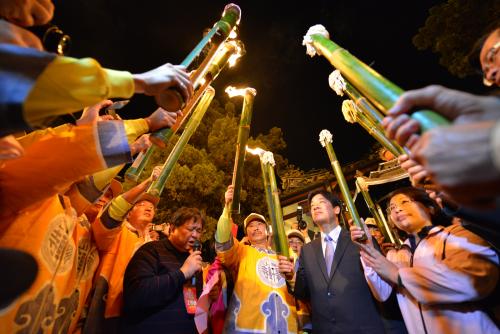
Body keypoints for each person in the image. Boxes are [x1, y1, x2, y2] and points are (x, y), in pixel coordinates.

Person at [350, 187, 499, 334]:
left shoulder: (454, 235)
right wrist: (367, 247)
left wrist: (399, 275)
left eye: (405, 202)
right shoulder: (397, 254)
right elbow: (382, 292)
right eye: (392, 208)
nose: (397, 209)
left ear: (430, 208)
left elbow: (473, 278)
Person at [278, 190, 386, 333]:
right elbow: (304, 293)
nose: (315, 207)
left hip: (363, 326)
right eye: (312, 206)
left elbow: (382, 282)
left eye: (321, 202)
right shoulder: (307, 250)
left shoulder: (359, 240)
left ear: (336, 209)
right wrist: (291, 276)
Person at [83, 168, 161, 334]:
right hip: (105, 311)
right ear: (128, 212)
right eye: (141, 205)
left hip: (135, 317)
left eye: (152, 208)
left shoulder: (153, 246)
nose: (148, 208)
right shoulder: (117, 232)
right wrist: (147, 181)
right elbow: (111, 216)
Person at [215, 185, 299, 333]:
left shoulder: (283, 256)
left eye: (260, 224)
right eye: (251, 226)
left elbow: (300, 288)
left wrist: (292, 277)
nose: (256, 228)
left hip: (286, 326)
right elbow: (223, 239)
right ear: (246, 233)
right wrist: (227, 208)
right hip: (248, 326)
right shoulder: (241, 251)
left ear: (267, 231)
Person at [122, 207, 205, 333]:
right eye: (190, 229)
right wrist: (182, 273)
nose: (195, 234)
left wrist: (207, 295)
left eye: (198, 230)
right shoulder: (150, 251)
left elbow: (191, 300)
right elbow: (137, 294)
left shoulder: (192, 260)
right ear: (172, 228)